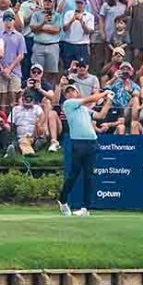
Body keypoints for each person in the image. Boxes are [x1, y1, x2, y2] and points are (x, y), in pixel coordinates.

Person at [57, 84, 112, 217]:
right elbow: (92, 99)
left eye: (72, 91)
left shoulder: (85, 110)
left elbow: (101, 115)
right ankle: (63, 199)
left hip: (92, 143)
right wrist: (104, 94)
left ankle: (85, 208)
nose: (70, 94)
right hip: (78, 143)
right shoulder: (68, 104)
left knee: (89, 176)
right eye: (67, 92)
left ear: (77, 93)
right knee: (74, 174)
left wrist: (109, 99)